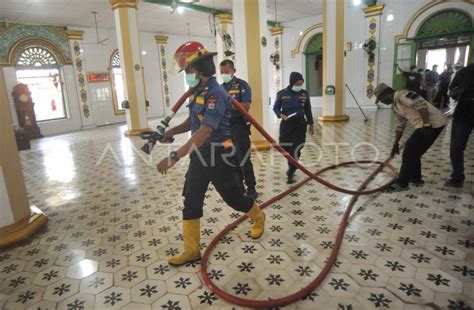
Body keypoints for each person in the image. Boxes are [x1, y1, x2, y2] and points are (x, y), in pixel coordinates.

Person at [156, 41, 265, 266]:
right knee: (191, 199)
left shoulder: (216, 93)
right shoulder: (197, 91)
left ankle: (258, 216)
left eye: (188, 70)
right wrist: (172, 131)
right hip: (199, 155)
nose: (186, 75)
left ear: (202, 69)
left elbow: (206, 131)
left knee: (233, 198)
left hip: (220, 154)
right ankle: (191, 250)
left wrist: (175, 156)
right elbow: (193, 121)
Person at [374, 82, 447, 192]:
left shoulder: (402, 95)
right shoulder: (397, 105)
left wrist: (426, 125)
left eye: (381, 99)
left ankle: (402, 183)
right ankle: (416, 178)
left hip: (432, 124)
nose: (382, 102)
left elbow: (421, 105)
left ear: (386, 94)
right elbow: (400, 127)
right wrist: (395, 144)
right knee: (414, 152)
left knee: (409, 152)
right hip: (424, 126)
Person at [219, 59, 257, 199]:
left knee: (243, 158)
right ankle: (238, 186)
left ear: (233, 71)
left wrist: (227, 104)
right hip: (225, 130)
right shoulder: (220, 88)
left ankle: (251, 187)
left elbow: (245, 106)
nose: (224, 74)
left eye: (226, 71)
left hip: (239, 127)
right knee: (231, 158)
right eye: (221, 72)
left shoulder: (242, 85)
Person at [273, 72, 315, 184]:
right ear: (292, 83)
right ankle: (293, 164)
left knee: (297, 148)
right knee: (283, 146)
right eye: (297, 83)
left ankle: (291, 172)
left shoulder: (304, 94)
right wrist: (281, 115)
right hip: (286, 124)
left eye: (301, 83)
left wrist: (311, 124)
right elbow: (276, 108)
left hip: (300, 124)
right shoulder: (282, 94)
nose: (299, 85)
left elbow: (308, 110)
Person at [445, 63, 474, 188]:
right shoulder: (465, 72)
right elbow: (452, 92)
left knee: (456, 147)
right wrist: (458, 92)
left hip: (464, 114)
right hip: (464, 113)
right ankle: (457, 177)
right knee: (456, 147)